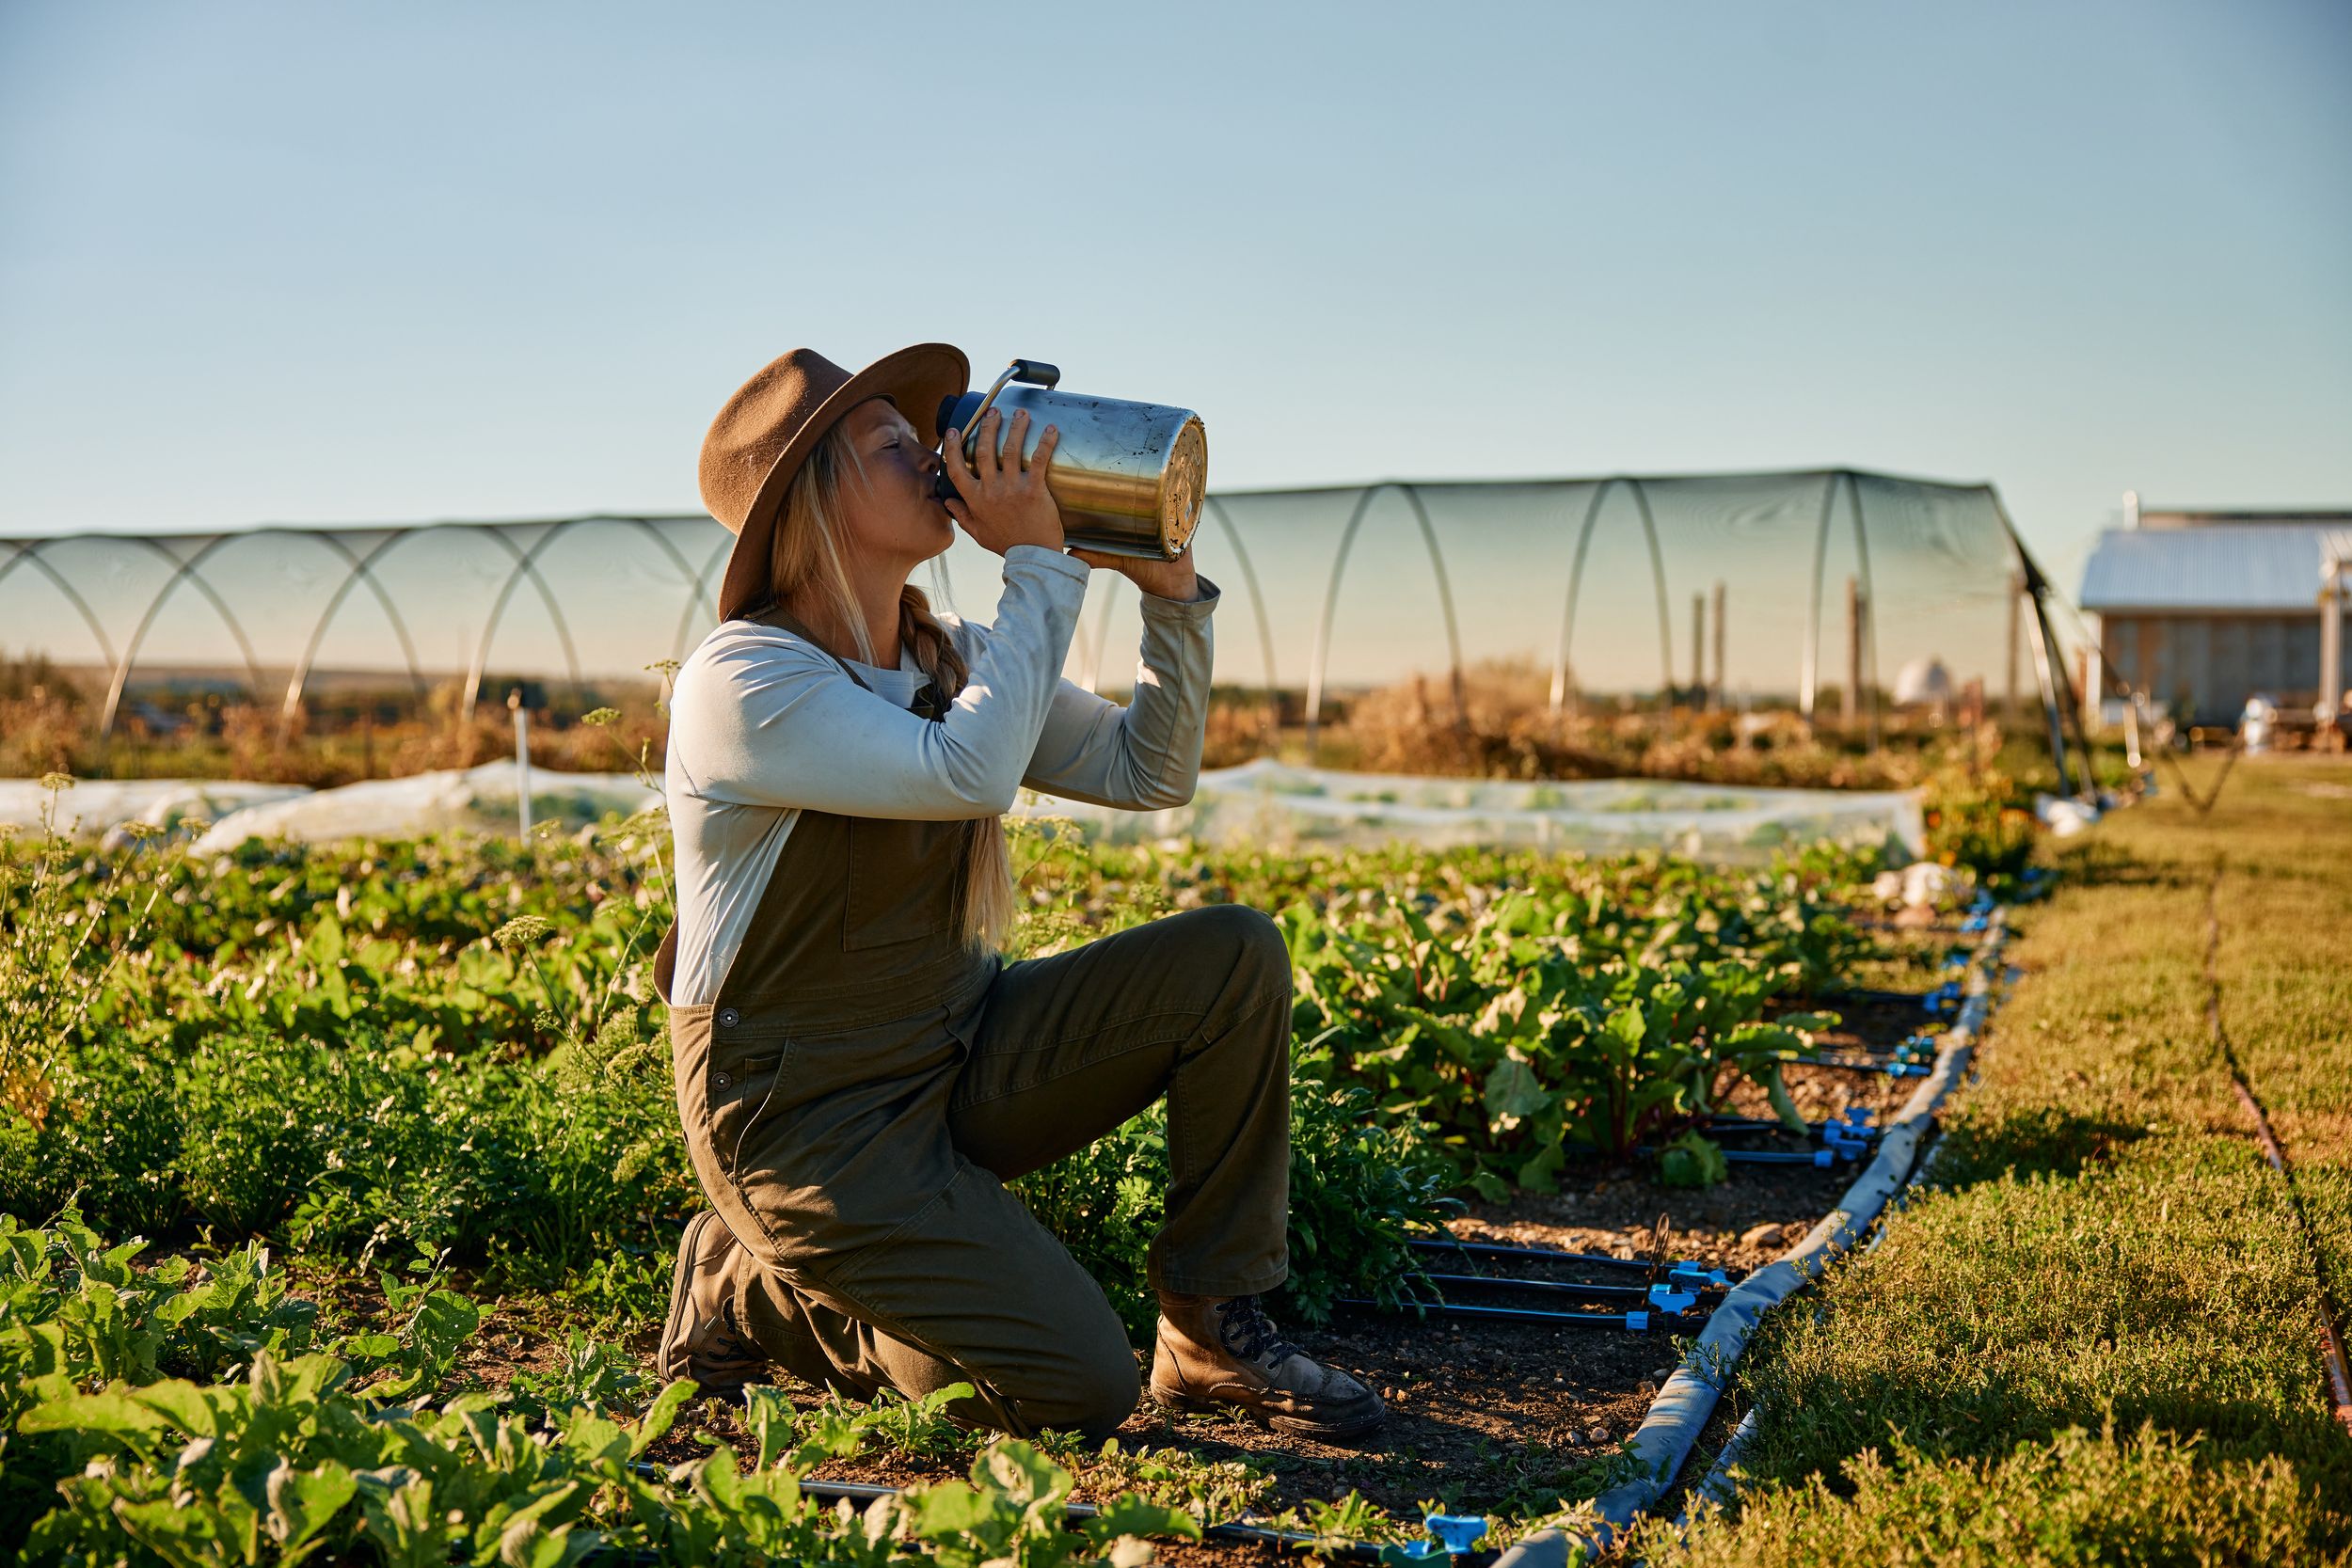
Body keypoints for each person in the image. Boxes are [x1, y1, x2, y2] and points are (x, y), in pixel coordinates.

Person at [653, 342, 1385, 1442]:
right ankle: (753, 1287)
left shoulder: (951, 652)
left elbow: (1151, 770)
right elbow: (966, 771)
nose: (939, 455)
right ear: (817, 498)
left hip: (951, 1049)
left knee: (1229, 957)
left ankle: (1207, 1325)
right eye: (893, 445)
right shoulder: (748, 678)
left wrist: (1170, 594)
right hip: (806, 1118)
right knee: (1080, 1387)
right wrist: (1042, 563)